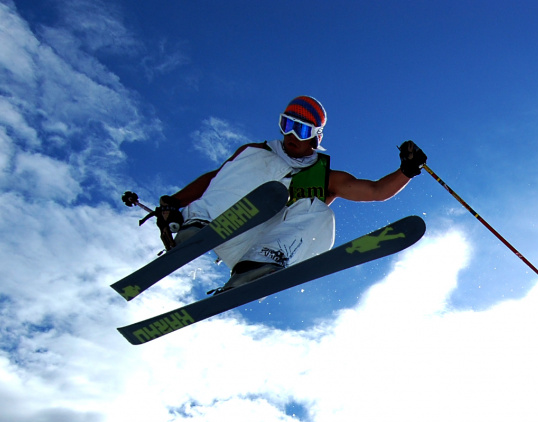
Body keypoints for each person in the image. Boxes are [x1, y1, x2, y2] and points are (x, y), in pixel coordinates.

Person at [156, 95, 427, 291]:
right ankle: (197, 225)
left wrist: (407, 170)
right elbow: (216, 180)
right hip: (224, 227)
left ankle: (257, 267)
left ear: (316, 137)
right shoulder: (255, 153)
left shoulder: (325, 178)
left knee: (319, 210)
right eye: (287, 125)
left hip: (266, 249)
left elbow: (376, 191)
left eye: (302, 129)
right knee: (255, 155)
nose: (291, 135)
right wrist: (174, 203)